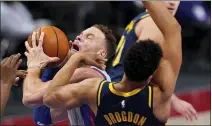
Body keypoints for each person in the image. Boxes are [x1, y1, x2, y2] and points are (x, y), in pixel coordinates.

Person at [43, 1, 184, 125]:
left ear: (124, 64)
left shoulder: (96, 91)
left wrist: (75, 58)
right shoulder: (158, 98)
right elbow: (174, 30)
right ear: (151, 76)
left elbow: (49, 98)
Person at [106, 1, 197, 121]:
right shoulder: (155, 25)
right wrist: (166, 99)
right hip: (125, 97)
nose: (171, 2)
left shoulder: (143, 18)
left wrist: (172, 99)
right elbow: (139, 70)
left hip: (116, 90)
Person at [22, 24, 116, 125]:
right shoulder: (77, 86)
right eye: (81, 34)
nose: (78, 37)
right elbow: (43, 117)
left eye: (89, 37)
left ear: (101, 54)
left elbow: (30, 97)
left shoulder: (89, 73)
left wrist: (34, 65)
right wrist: (55, 64)